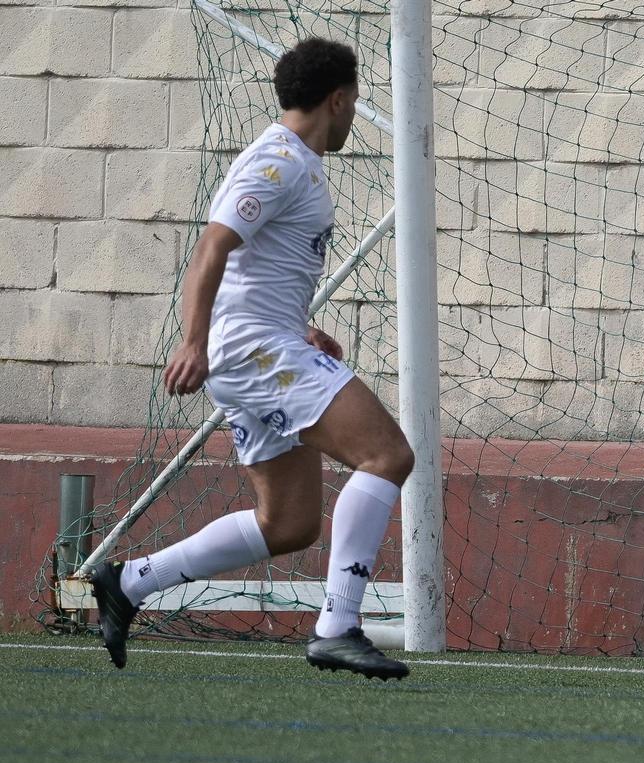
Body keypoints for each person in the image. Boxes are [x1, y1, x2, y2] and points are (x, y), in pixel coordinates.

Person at [88, 38, 412, 680]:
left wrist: (302, 328)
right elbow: (213, 247)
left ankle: (128, 583)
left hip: (266, 343)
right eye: (355, 102)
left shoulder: (295, 163)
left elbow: (253, 267)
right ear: (338, 99)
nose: (354, 114)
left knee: (288, 524)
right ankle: (338, 627)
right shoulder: (279, 161)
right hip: (253, 352)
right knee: (388, 455)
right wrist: (195, 340)